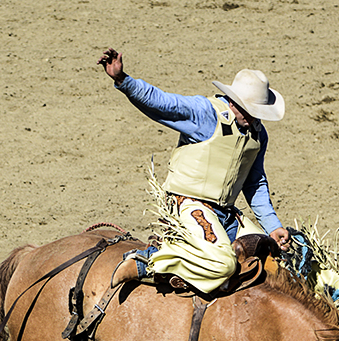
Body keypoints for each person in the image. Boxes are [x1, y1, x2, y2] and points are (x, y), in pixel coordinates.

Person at [97, 48, 291, 292]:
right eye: (250, 112)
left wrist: (273, 226)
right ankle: (149, 261)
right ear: (233, 102)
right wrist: (123, 80)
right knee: (223, 266)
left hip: (226, 213)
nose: (254, 120)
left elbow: (255, 183)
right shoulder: (205, 113)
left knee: (272, 262)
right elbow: (161, 102)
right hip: (188, 203)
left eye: (258, 114)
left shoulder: (258, 134)